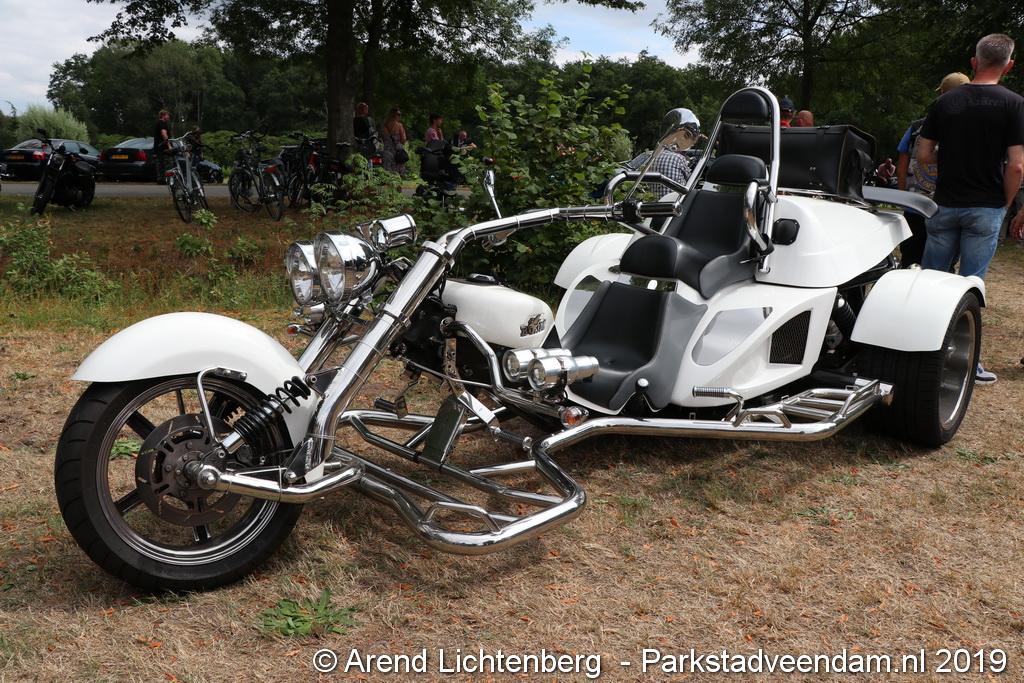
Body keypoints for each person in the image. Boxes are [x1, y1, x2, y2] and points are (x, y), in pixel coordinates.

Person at [917, 33, 1024, 384]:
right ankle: (965, 364)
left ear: (974, 62)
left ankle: (917, 351)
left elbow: (923, 154)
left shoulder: (945, 101)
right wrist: (1005, 202)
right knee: (971, 285)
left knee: (931, 280)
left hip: (945, 202)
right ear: (1008, 65)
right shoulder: (1015, 104)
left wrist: (948, 160)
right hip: (986, 204)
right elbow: (1017, 166)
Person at [895, 72, 970, 267]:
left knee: (911, 260)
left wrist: (903, 198)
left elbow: (901, 167)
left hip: (915, 205)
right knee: (945, 264)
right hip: (951, 205)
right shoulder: (973, 128)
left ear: (941, 94)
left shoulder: (916, 127)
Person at [380, 107, 408, 175]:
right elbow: (403, 140)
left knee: (388, 169)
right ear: (395, 115)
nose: (400, 116)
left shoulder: (384, 125)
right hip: (397, 151)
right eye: (399, 114)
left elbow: (383, 138)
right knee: (398, 170)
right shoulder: (399, 125)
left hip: (387, 150)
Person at [152, 109, 171, 183]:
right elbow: (164, 134)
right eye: (167, 115)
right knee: (168, 163)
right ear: (163, 116)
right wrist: (169, 146)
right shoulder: (162, 123)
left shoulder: (157, 123)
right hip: (164, 148)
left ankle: (161, 179)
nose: (168, 117)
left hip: (158, 148)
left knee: (160, 164)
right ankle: (167, 180)